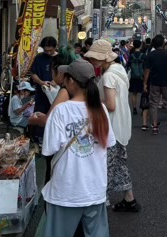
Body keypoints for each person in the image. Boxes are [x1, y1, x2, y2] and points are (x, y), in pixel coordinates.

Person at [41, 59, 115, 237]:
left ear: (71, 81)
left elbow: (49, 149)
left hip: (67, 191)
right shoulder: (101, 110)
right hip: (94, 189)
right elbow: (109, 143)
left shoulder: (60, 111)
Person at [84, 39, 141, 213]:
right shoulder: (119, 70)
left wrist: (91, 101)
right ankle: (130, 200)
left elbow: (110, 105)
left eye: (95, 58)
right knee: (121, 164)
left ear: (104, 58)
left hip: (111, 128)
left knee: (105, 168)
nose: (92, 61)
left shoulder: (108, 76)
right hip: (122, 126)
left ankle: (99, 207)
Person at [144, 35, 167, 135]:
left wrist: (145, 83)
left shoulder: (150, 55)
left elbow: (147, 70)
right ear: (163, 43)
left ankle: (155, 127)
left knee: (154, 104)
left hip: (154, 82)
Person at [31, 36, 58, 114]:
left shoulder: (60, 58)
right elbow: (33, 73)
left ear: (55, 47)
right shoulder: (39, 57)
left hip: (57, 95)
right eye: (46, 50)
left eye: (50, 50)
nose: (48, 53)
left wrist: (56, 81)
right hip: (41, 94)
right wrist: (41, 82)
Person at [127, 39, 146, 114]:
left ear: (134, 45)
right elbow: (146, 67)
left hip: (133, 76)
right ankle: (142, 108)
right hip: (142, 77)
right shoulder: (143, 55)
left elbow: (128, 65)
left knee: (133, 93)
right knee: (142, 93)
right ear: (140, 45)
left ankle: (134, 108)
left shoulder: (131, 56)